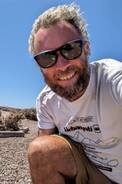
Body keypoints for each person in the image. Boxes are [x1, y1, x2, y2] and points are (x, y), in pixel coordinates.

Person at [27, 3, 122, 184]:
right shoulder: (46, 101)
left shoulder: (112, 78)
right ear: (39, 67)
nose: (62, 65)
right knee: (40, 150)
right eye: (47, 58)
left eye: (70, 49)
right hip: (90, 173)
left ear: (86, 49)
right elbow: (43, 157)